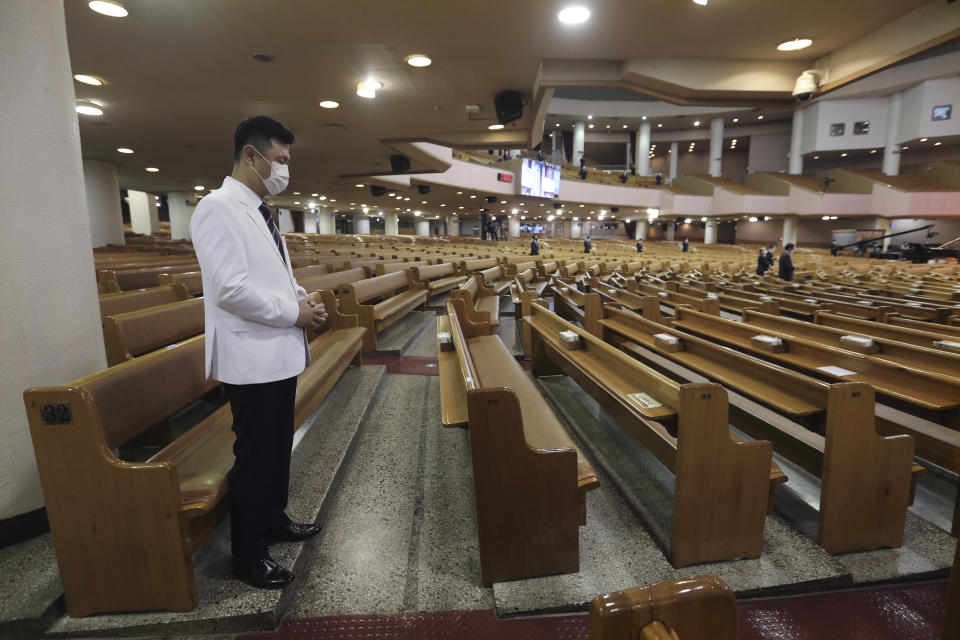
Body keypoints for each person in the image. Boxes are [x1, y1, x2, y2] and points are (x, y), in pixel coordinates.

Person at [190, 116, 326, 590]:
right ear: (252, 155)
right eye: (281, 159)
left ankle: (272, 519)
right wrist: (294, 315)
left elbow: (274, 277)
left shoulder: (263, 211)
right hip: (250, 359)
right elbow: (229, 290)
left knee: (275, 449)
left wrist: (303, 297)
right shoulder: (218, 208)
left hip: (276, 354)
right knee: (254, 456)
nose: (285, 169)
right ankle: (248, 554)